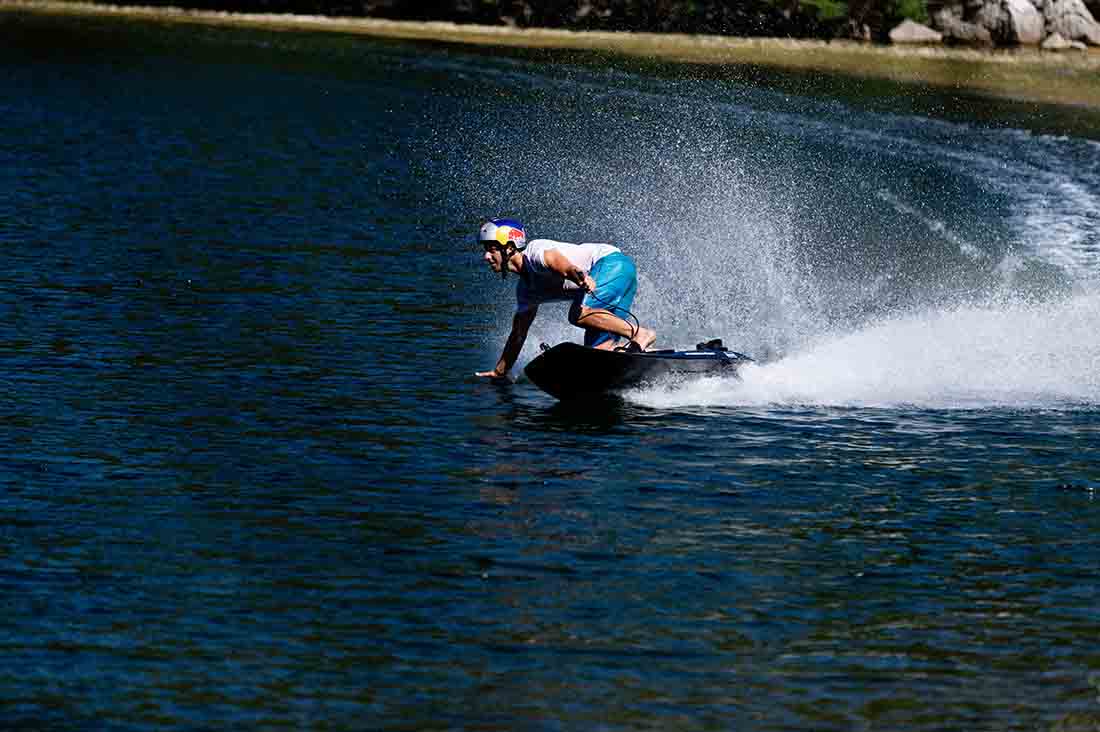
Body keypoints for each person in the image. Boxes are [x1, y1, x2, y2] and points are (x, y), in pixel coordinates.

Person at [475, 217, 657, 380]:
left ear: (509, 247)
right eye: (486, 250)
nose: (486, 256)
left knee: (577, 315)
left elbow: (558, 262)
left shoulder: (535, 252)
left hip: (612, 264)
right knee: (601, 356)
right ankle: (648, 357)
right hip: (614, 279)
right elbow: (518, 334)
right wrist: (500, 371)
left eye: (492, 250)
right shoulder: (526, 291)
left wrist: (578, 275)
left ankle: (641, 334)